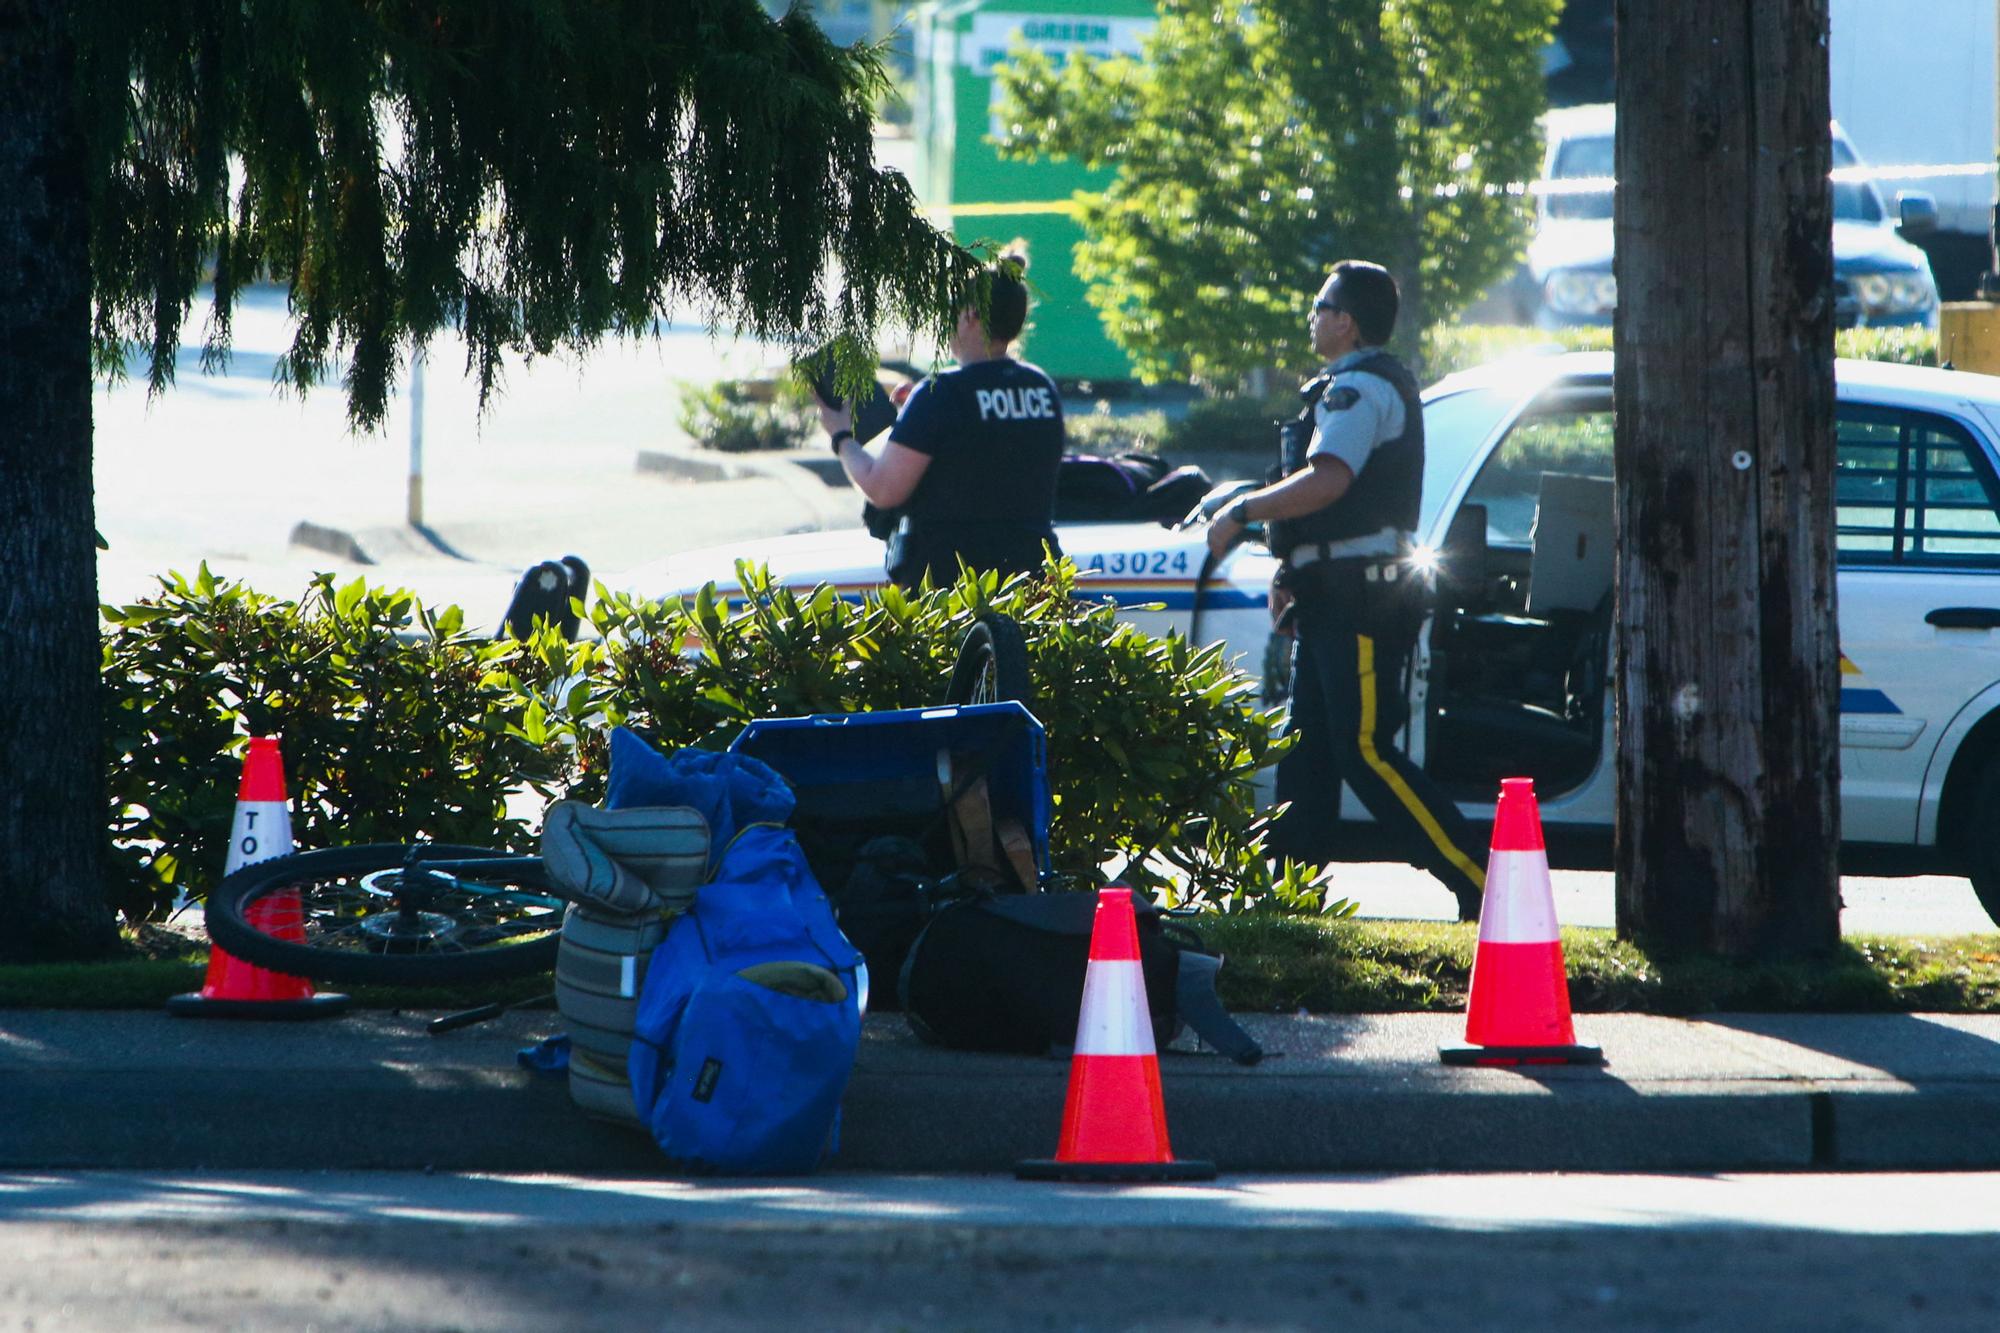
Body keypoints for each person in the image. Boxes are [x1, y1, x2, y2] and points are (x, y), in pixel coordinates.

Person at [1203, 260, 1486, 920]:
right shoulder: (1343, 387)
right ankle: (1287, 903)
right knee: (1307, 751)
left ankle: (1480, 875)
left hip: (1360, 599)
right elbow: (1332, 511)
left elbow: (1328, 481)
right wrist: (1291, 566)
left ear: (1345, 320)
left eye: (1320, 305)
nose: (1312, 316)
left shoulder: (1355, 391)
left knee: (1362, 750)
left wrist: (1242, 510)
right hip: (1332, 591)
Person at [814, 253, 1064, 589]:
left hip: (952, 588)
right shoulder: (1041, 388)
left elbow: (883, 489)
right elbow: (991, 450)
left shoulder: (942, 393)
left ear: (970, 315)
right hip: (1033, 578)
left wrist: (841, 436)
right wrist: (918, 413)